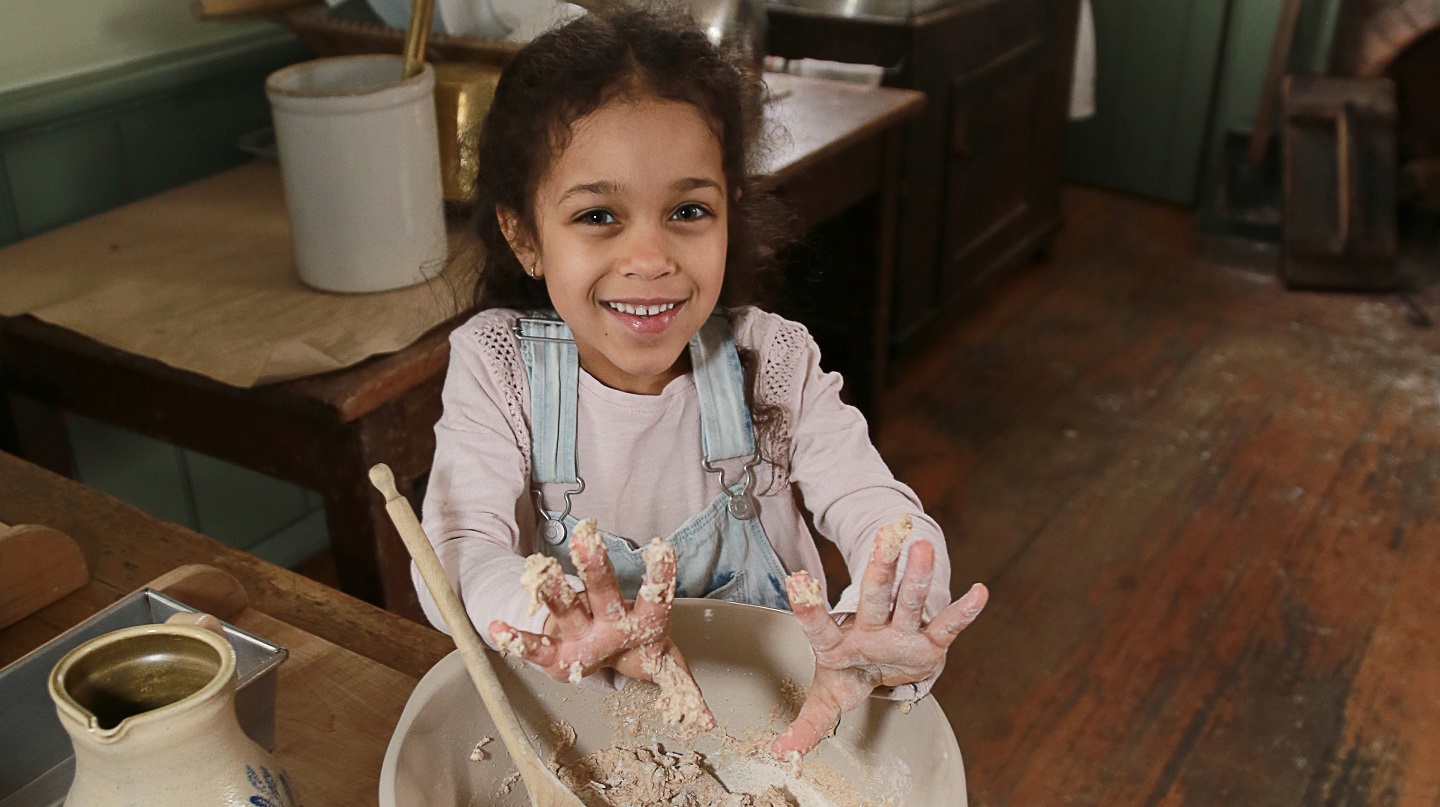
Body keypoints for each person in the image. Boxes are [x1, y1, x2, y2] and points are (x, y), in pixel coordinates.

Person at [416, 6, 988, 759]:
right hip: (583, 737)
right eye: (598, 215)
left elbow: (878, 508)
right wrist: (546, 617)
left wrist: (893, 611)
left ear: (730, 213)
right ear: (524, 234)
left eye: (688, 210)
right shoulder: (499, 370)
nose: (650, 257)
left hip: (778, 743)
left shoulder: (773, 362)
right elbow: (460, 550)